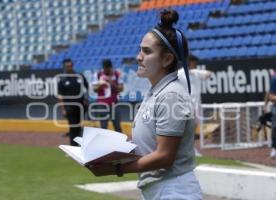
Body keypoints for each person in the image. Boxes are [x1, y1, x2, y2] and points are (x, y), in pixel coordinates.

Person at [88, 9, 202, 199]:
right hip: (160, 189)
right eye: (140, 49)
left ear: (167, 59)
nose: (138, 57)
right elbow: (148, 146)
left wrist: (116, 169)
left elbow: (164, 156)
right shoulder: (156, 93)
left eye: (147, 51)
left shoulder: (171, 95)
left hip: (173, 191)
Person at [179, 54, 212, 156]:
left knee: (192, 129)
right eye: (194, 63)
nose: (196, 65)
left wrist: (194, 71)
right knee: (184, 129)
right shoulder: (179, 73)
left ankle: (190, 149)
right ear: (189, 62)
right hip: (185, 106)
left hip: (197, 106)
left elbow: (209, 74)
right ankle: (183, 149)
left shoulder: (196, 73)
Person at [57, 59, 89, 146]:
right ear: (64, 67)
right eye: (67, 66)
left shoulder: (79, 76)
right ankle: (73, 147)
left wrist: (86, 98)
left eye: (70, 66)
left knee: (78, 127)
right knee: (73, 127)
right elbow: (60, 95)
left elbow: (87, 87)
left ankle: (78, 146)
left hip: (81, 106)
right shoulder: (62, 79)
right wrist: (63, 109)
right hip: (69, 107)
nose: (69, 67)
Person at [92, 59, 123, 132]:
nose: (106, 70)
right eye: (105, 68)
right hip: (102, 104)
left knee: (117, 125)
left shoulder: (117, 74)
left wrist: (112, 83)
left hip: (114, 103)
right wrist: (101, 84)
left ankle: (120, 142)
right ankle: (104, 143)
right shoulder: (98, 75)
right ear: (103, 67)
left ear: (111, 67)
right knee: (103, 126)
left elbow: (121, 89)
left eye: (108, 68)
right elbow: (94, 90)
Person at [264, 71, 276, 158]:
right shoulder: (274, 80)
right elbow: (271, 96)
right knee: (275, 127)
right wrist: (265, 105)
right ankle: (274, 148)